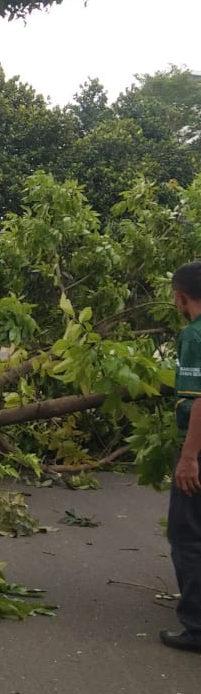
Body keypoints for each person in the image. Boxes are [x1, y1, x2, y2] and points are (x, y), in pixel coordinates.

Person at [160, 260, 201, 651]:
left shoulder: (194, 335)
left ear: (180, 296)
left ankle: (197, 629)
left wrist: (189, 458)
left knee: (187, 535)